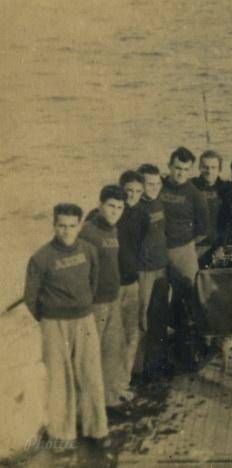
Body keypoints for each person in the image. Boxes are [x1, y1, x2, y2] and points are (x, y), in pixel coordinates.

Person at [24, 203, 108, 448]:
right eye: (62, 226)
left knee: (90, 373)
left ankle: (96, 429)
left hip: (84, 319)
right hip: (54, 323)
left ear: (80, 226)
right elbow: (30, 297)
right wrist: (49, 316)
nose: (67, 231)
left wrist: (83, 305)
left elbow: (93, 281)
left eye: (72, 226)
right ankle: (62, 434)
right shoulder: (41, 258)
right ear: (54, 225)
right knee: (59, 378)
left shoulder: (89, 250)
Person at [78, 185, 132, 416]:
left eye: (119, 208)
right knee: (91, 355)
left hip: (113, 299)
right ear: (100, 205)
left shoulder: (113, 230)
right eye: (111, 206)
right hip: (95, 303)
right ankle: (86, 408)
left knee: (111, 352)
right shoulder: (88, 232)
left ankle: (109, 398)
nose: (115, 212)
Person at [159, 147, 209, 366]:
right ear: (169, 166)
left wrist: (185, 244)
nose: (180, 173)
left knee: (189, 300)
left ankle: (189, 351)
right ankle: (159, 352)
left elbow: (203, 229)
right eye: (177, 168)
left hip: (183, 250)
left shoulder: (195, 194)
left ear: (191, 171)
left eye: (186, 170)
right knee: (157, 300)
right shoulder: (158, 186)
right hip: (157, 251)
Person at [135, 164, 171, 380]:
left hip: (161, 268)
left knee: (159, 316)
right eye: (150, 184)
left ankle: (157, 363)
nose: (155, 187)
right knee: (142, 318)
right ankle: (139, 369)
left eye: (158, 183)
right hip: (144, 270)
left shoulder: (158, 201)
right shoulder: (136, 207)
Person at [116, 171, 148, 390]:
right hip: (110, 286)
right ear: (121, 189)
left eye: (138, 191)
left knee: (131, 334)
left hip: (131, 282)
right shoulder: (111, 211)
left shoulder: (143, 216)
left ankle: (124, 381)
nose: (133, 195)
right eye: (129, 190)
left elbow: (139, 246)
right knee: (111, 337)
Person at [191, 150, 232, 264]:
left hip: (221, 245)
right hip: (197, 246)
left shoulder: (227, 188)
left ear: (219, 169)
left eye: (213, 167)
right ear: (199, 167)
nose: (209, 171)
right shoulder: (191, 186)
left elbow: (230, 221)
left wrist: (223, 246)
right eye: (205, 167)